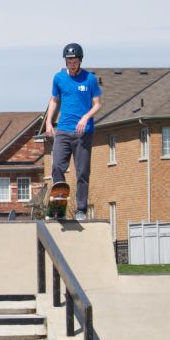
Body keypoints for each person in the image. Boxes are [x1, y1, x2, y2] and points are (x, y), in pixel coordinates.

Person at [44, 42, 102, 218]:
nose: (72, 63)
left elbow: (98, 104)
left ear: (80, 60)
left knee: (82, 172)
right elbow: (54, 100)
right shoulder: (59, 78)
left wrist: (86, 117)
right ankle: (59, 203)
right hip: (63, 130)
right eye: (69, 60)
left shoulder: (89, 79)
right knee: (56, 166)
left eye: (74, 60)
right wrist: (49, 122)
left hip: (83, 133)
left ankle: (81, 209)